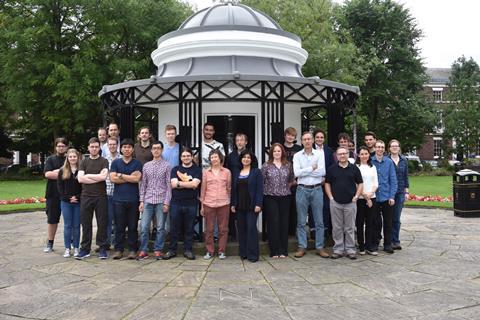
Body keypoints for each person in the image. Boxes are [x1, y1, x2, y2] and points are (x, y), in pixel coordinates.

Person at [293, 132, 329, 258]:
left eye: (309, 139)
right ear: (301, 141)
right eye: (304, 139)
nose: (307, 141)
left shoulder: (320, 154)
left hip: (317, 189)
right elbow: (296, 173)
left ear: (313, 140)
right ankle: (302, 246)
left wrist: (306, 171)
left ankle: (320, 247)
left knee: (319, 221)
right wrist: (311, 169)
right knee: (301, 221)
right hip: (302, 190)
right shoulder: (297, 155)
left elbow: (322, 172)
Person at [163, 147, 202, 260]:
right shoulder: (175, 169)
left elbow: (195, 185)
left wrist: (181, 183)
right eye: (184, 156)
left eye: (188, 156)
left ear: (192, 157)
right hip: (176, 203)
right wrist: (189, 182)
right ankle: (172, 250)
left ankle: (188, 250)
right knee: (174, 227)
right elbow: (173, 185)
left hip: (191, 203)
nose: (186, 158)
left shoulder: (197, 170)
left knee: (189, 228)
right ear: (181, 158)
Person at [325, 147, 363, 260]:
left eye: (344, 153)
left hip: (350, 203)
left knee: (350, 227)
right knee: (337, 227)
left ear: (348, 154)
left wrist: (356, 197)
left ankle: (351, 250)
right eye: (340, 154)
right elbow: (327, 183)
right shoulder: (332, 169)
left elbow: (360, 183)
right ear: (336, 156)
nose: (342, 156)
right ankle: (338, 249)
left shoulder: (354, 168)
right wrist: (331, 198)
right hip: (335, 202)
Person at [138, 141, 171, 260]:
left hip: (161, 199)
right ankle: (143, 249)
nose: (156, 150)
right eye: (154, 148)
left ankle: (158, 249)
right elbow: (143, 184)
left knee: (161, 227)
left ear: (162, 150)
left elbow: (168, 185)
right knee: (144, 226)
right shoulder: (146, 166)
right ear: (151, 151)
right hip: (148, 199)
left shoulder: (167, 166)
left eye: (158, 148)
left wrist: (167, 202)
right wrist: (141, 201)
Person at [77, 138, 109, 260]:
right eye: (92, 147)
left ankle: (102, 248)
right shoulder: (84, 162)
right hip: (86, 196)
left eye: (96, 146)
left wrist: (88, 176)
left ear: (99, 148)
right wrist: (97, 177)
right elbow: (80, 179)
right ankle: (85, 249)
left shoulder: (104, 161)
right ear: (88, 148)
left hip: (100, 197)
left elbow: (103, 177)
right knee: (86, 224)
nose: (94, 148)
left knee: (102, 224)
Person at [110, 139, 143, 260]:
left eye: (129, 147)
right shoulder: (116, 163)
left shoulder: (137, 163)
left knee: (133, 226)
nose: (127, 149)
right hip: (118, 199)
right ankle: (118, 250)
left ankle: (133, 250)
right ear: (121, 149)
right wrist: (129, 177)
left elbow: (137, 179)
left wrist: (121, 175)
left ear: (132, 149)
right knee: (119, 226)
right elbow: (113, 179)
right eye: (124, 147)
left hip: (133, 199)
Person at [261, 143, 294, 258]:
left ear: (282, 152)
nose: (277, 153)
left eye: (279, 151)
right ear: (271, 153)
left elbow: (291, 180)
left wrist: (284, 189)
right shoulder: (266, 165)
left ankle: (283, 250)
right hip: (270, 197)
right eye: (274, 151)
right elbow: (262, 182)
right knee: (273, 223)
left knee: (284, 223)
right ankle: (274, 251)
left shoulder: (288, 165)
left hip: (285, 197)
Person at [231, 150, 263, 262]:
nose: (246, 159)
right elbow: (234, 190)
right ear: (241, 159)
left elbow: (260, 189)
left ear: (252, 159)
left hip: (252, 205)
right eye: (244, 157)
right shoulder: (237, 172)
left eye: (248, 157)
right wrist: (233, 204)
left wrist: (259, 204)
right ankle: (243, 253)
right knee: (242, 229)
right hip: (240, 206)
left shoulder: (256, 172)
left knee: (251, 229)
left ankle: (253, 255)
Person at [225, 132, 258, 241]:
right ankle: (234, 235)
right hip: (234, 188)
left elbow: (255, 173)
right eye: (237, 140)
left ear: (246, 142)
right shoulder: (231, 156)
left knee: (249, 217)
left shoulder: (251, 156)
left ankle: (249, 237)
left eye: (241, 140)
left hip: (248, 189)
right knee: (234, 212)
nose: (239, 142)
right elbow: (227, 171)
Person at [200, 149, 231, 260]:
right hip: (209, 203)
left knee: (223, 229)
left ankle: (221, 251)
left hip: (223, 203)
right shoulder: (206, 172)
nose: (214, 159)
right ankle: (210, 251)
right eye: (212, 157)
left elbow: (228, 188)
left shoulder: (227, 172)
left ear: (220, 158)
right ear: (210, 159)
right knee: (209, 229)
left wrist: (228, 200)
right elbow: (203, 189)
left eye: (215, 157)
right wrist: (202, 205)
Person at [371, 140, 398, 254]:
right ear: (375, 148)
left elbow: (393, 181)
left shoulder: (389, 162)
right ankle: (375, 243)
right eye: (378, 147)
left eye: (382, 147)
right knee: (375, 222)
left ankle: (388, 244)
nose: (380, 149)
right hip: (374, 197)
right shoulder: (370, 161)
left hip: (387, 197)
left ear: (384, 149)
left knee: (388, 222)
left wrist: (392, 196)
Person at [43, 137, 68, 253]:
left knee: (70, 221)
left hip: (68, 194)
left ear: (66, 147)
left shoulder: (70, 159)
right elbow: (47, 174)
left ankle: (71, 243)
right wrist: (63, 173)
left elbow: (72, 174)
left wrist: (56, 172)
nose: (61, 148)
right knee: (52, 220)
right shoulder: (50, 159)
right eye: (59, 146)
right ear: (56, 147)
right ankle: (50, 243)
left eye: (63, 146)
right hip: (52, 194)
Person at [57, 148, 82, 258]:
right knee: (67, 225)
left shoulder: (81, 170)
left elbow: (84, 187)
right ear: (67, 157)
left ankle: (76, 247)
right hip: (66, 202)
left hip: (78, 202)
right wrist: (68, 198)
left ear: (77, 158)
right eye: (70, 157)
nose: (72, 158)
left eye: (74, 157)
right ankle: (67, 248)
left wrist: (77, 197)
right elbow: (60, 188)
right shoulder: (62, 170)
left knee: (76, 226)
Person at [355, 146, 378, 255]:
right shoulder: (356, 167)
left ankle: (369, 246)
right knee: (359, 223)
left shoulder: (372, 167)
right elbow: (356, 184)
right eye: (362, 154)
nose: (364, 156)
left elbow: (376, 183)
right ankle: (361, 246)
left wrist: (370, 195)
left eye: (366, 153)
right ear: (358, 155)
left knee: (370, 223)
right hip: (360, 198)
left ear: (369, 155)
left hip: (372, 198)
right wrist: (365, 197)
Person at [388, 139, 409, 250]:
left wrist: (407, 191)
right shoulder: (386, 160)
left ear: (399, 148)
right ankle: (388, 240)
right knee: (388, 218)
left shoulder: (404, 160)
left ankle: (396, 240)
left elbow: (406, 177)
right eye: (392, 146)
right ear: (389, 148)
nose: (395, 147)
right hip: (389, 192)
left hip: (400, 192)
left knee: (396, 218)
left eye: (396, 146)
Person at [313, 129, 334, 240]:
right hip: (313, 182)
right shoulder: (309, 150)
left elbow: (331, 166)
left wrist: (326, 179)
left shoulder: (329, 151)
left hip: (325, 182)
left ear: (324, 139)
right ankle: (313, 231)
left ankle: (325, 231)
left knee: (325, 207)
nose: (319, 139)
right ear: (314, 138)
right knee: (313, 207)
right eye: (317, 137)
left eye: (321, 137)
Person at [283, 127, 302, 236]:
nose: (290, 137)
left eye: (293, 136)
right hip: (282, 184)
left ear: (295, 137)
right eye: (288, 135)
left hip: (296, 183)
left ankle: (293, 231)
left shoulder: (299, 149)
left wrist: (295, 179)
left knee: (295, 208)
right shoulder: (280, 148)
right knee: (284, 209)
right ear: (285, 136)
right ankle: (285, 231)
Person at [104, 136, 121, 250]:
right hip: (107, 193)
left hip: (119, 193)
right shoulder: (104, 159)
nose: (112, 146)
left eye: (114, 144)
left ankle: (116, 243)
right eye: (110, 144)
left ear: (117, 145)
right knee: (107, 220)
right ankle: (106, 243)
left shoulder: (122, 158)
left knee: (118, 220)